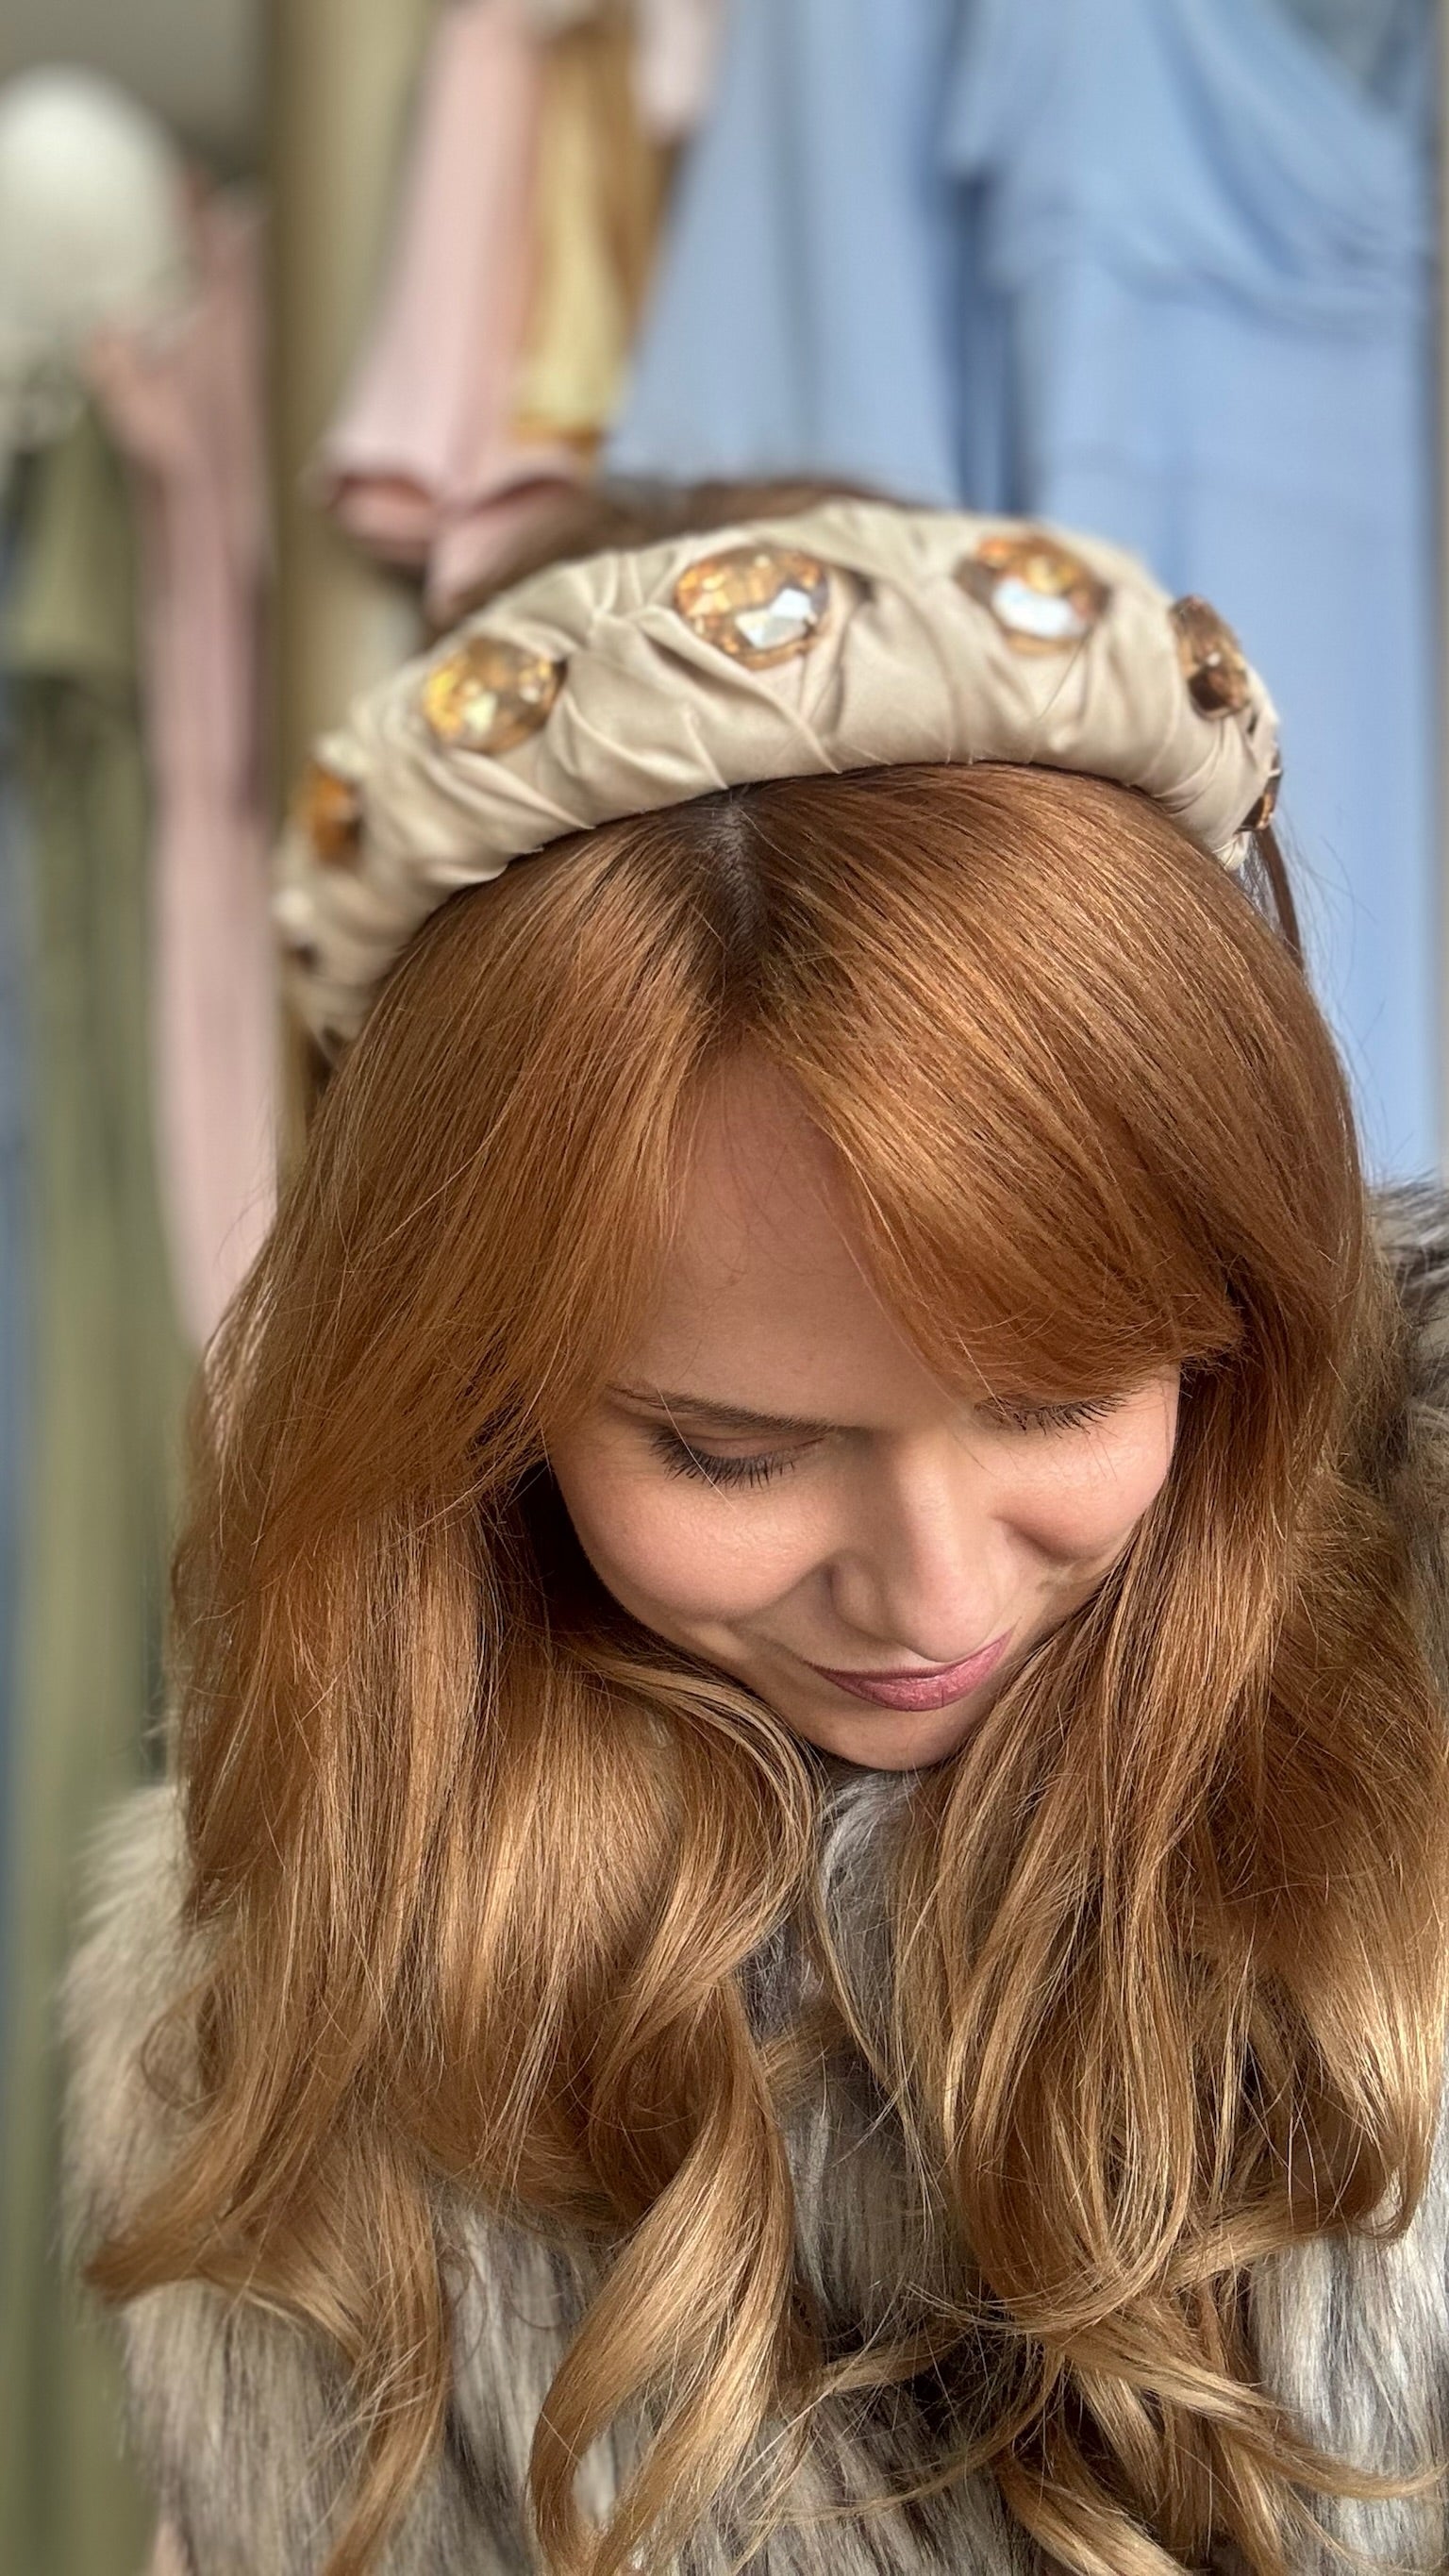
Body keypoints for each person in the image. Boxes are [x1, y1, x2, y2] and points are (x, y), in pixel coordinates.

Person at [58, 494, 1449, 2576]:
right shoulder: (282, 2013)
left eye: (1056, 1403)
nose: (936, 1595)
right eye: (731, 1453)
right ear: (480, 1406)